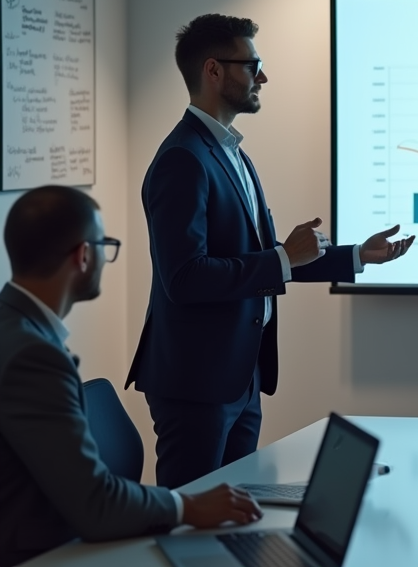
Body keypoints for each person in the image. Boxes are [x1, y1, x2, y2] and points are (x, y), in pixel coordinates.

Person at [125, 13, 415, 489]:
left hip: (241, 377)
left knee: (233, 517)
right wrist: (281, 258)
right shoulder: (183, 159)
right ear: (214, 70)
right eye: (252, 64)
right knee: (189, 524)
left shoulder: (233, 153)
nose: (263, 76)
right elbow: (185, 278)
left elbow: (262, 264)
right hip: (197, 384)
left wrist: (357, 256)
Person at [0, 186, 262, 567]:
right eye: (105, 244)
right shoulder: (35, 356)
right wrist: (186, 505)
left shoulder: (14, 328)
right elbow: (95, 504)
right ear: (84, 255)